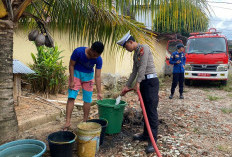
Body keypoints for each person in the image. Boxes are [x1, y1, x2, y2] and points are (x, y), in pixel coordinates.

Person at [117, 31, 159, 154]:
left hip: (151, 82)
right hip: (145, 83)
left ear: (131, 42)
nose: (126, 49)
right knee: (144, 109)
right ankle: (146, 135)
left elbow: (143, 66)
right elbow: (134, 71)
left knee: (151, 111)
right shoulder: (136, 54)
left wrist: (138, 82)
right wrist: (126, 86)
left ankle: (153, 140)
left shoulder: (144, 48)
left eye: (126, 46)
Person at [63, 41, 104, 130]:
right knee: (71, 97)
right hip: (76, 74)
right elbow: (71, 65)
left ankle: (85, 121)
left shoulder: (98, 59)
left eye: (97, 55)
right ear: (91, 49)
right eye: (94, 54)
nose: (95, 57)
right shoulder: (78, 52)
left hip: (88, 77)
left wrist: (99, 92)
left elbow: (97, 76)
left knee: (87, 99)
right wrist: (72, 80)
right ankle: (67, 122)